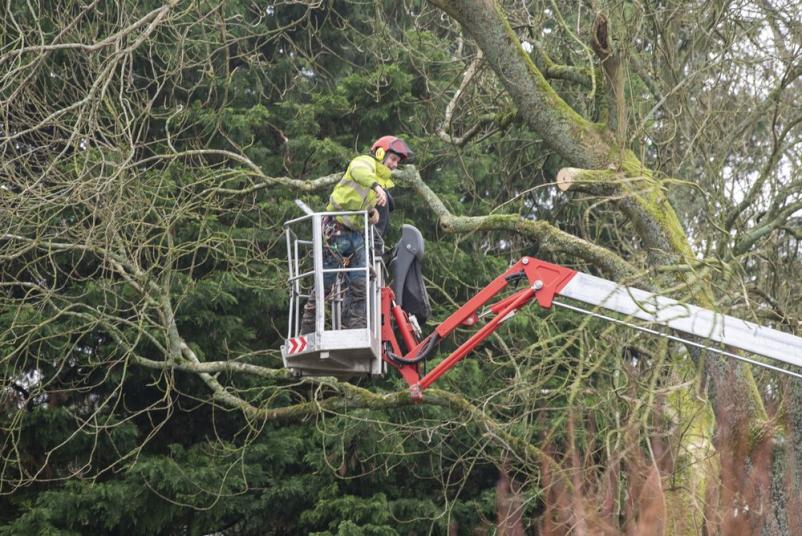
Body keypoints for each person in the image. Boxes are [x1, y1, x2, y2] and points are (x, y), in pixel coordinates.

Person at [300, 136, 412, 334]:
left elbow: (359, 201)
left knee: (360, 284)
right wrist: (376, 186)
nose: (395, 164)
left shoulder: (381, 181)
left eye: (397, 161)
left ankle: (355, 330)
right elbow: (358, 173)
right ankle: (308, 330)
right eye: (393, 159)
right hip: (336, 231)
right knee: (325, 284)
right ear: (380, 153)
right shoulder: (364, 163)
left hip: (356, 236)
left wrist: (371, 213)